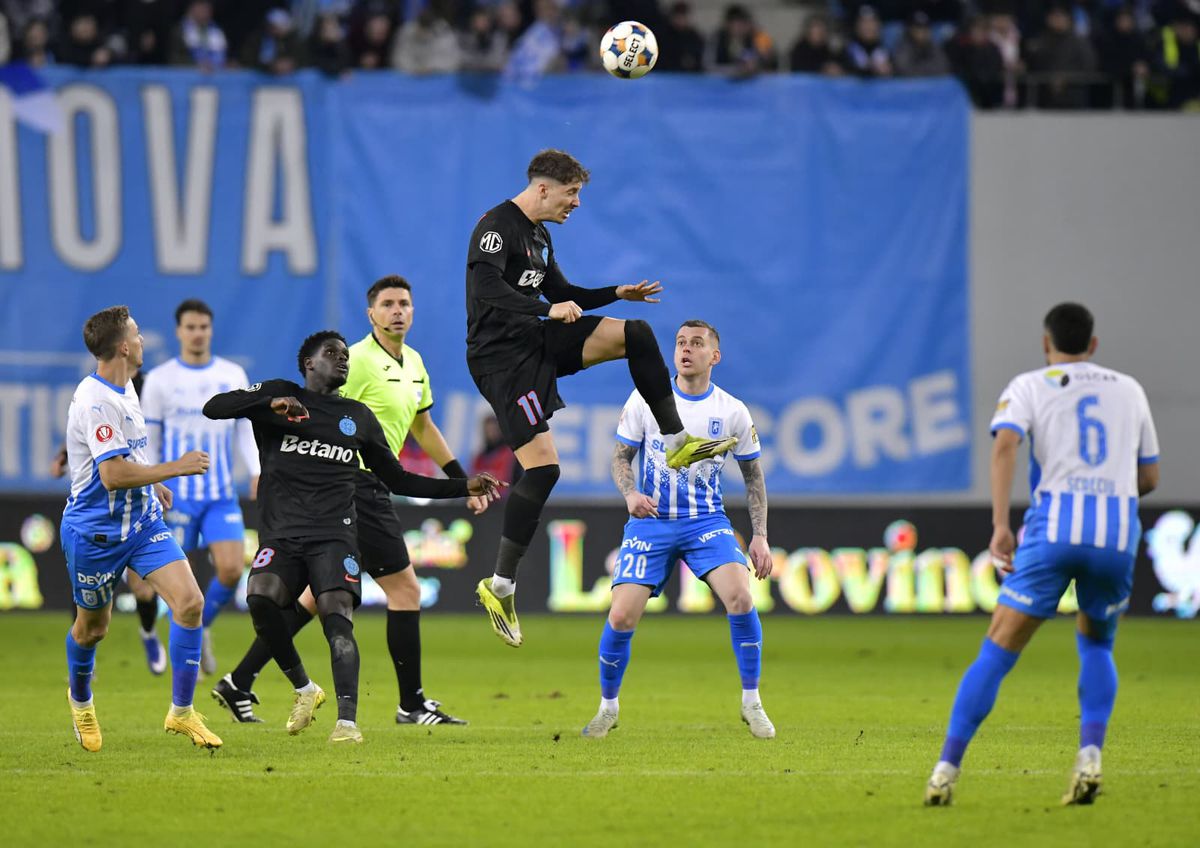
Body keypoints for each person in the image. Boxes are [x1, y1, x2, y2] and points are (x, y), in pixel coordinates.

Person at [466, 148, 737, 648]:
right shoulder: (497, 226)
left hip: (536, 337)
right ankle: (500, 584)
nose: (576, 204)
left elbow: (565, 291)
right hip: (501, 360)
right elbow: (486, 288)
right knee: (545, 470)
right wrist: (546, 309)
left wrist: (617, 292)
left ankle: (675, 439)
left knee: (635, 333)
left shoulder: (539, 236)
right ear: (544, 188)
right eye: (572, 194)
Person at [212, 277, 487, 727]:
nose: (398, 311)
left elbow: (422, 427)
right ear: (371, 314)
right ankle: (411, 704)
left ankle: (240, 680)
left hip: (370, 484)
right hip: (352, 486)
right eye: (388, 304)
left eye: (405, 304)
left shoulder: (414, 363)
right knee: (403, 590)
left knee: (318, 598)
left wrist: (460, 479)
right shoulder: (355, 360)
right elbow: (328, 410)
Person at [925, 303, 1160, 806]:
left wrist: (1000, 526)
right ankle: (1091, 755)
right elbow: (1149, 478)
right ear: (1093, 344)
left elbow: (1006, 445)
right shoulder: (1130, 389)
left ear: (1045, 343)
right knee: (1097, 646)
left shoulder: (1030, 385)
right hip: (1116, 536)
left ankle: (946, 769)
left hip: (1053, 531)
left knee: (997, 649)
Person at [581, 319, 775, 740]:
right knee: (621, 614)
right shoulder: (645, 398)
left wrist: (759, 535)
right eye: (680, 343)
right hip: (651, 523)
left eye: (697, 343)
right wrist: (630, 494)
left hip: (706, 522)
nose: (686, 349)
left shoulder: (732, 411)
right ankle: (607, 708)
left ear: (714, 356)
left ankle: (752, 702)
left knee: (741, 596)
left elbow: (753, 478)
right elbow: (619, 458)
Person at [61, 305, 222, 752]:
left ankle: (182, 712)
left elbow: (131, 452)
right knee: (93, 629)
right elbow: (111, 475)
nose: (144, 340)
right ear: (125, 347)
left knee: (189, 603)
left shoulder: (126, 384)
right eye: (137, 333)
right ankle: (81, 701)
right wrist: (175, 469)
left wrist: (154, 483)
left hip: (142, 524)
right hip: (96, 534)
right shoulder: (96, 400)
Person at [136, 299, 260, 677]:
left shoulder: (232, 373)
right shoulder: (160, 379)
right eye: (191, 327)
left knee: (231, 569)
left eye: (203, 326)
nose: (198, 333)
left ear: (211, 329)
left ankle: (201, 627)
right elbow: (149, 438)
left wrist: (256, 471)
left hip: (220, 494)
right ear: (179, 331)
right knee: (171, 583)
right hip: (176, 494)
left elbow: (245, 430)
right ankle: (180, 649)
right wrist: (153, 480)